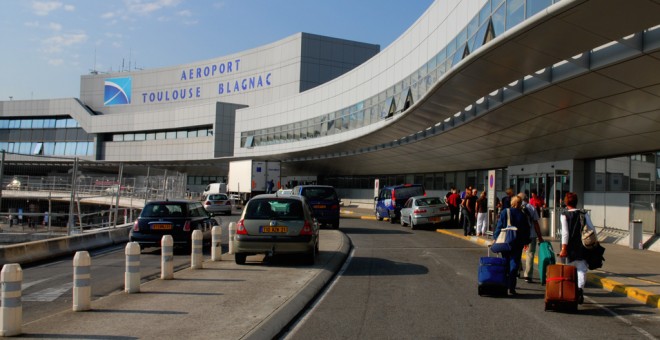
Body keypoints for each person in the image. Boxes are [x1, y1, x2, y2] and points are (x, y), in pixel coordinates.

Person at [559, 192, 596, 304]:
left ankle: (571, 292)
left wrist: (564, 248)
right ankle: (580, 290)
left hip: (569, 246)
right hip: (582, 245)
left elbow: (565, 233)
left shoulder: (564, 214)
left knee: (569, 269)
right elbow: (592, 229)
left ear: (566, 202)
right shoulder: (584, 213)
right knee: (582, 269)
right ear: (576, 202)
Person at [493, 195, 531, 296]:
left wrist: (496, 238)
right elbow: (526, 229)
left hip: (505, 241)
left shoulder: (505, 212)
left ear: (512, 203)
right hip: (517, 243)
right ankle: (512, 287)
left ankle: (504, 284)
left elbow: (499, 226)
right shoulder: (522, 215)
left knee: (505, 261)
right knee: (514, 263)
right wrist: (526, 242)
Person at [518, 192, 544, 283]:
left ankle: (517, 270)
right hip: (531, 234)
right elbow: (536, 223)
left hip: (518, 235)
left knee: (517, 252)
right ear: (526, 199)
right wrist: (540, 236)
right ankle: (528, 275)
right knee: (530, 254)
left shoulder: (515, 207)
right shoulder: (531, 207)